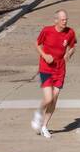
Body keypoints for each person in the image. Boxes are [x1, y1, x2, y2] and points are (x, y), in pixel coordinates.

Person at [32, 8, 77, 138]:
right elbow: (37, 44)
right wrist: (45, 55)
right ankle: (38, 113)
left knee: (55, 98)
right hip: (46, 68)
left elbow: (73, 46)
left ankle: (44, 126)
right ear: (56, 20)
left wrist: (69, 53)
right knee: (48, 98)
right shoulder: (47, 31)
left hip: (60, 69)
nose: (65, 21)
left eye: (66, 19)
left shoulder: (70, 32)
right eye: (62, 19)